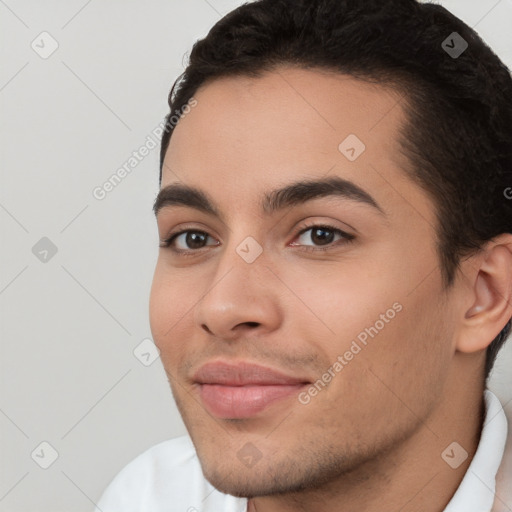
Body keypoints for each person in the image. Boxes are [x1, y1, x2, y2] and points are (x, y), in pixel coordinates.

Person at [95, 0, 512, 510]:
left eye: (319, 235)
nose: (221, 309)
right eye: (193, 238)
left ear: (484, 293)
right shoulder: (149, 497)